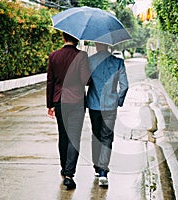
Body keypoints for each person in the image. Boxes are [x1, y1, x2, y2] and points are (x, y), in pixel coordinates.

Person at [46, 32, 90, 190]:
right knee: (74, 137)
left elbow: (50, 81)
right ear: (77, 40)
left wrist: (49, 104)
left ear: (63, 38)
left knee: (63, 135)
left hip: (59, 101)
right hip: (77, 101)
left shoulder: (54, 56)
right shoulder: (82, 56)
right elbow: (86, 80)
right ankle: (70, 174)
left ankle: (64, 169)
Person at [86, 42, 128, 187]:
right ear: (109, 46)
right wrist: (119, 101)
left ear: (97, 45)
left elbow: (85, 82)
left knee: (96, 135)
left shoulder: (90, 61)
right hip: (110, 106)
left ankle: (97, 167)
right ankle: (103, 172)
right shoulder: (118, 62)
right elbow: (125, 86)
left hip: (93, 104)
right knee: (107, 137)